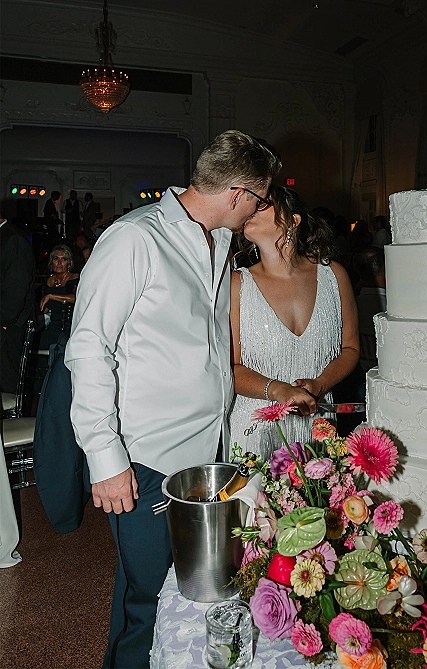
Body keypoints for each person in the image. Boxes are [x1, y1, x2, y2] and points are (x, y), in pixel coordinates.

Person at [65, 130, 280, 669]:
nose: (260, 209)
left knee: (187, 596)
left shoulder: (220, 241)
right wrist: (105, 458)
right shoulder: (135, 240)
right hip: (148, 458)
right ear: (236, 193)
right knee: (144, 599)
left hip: (209, 457)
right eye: (259, 198)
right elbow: (88, 350)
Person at [228, 185, 359, 460]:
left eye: (262, 204)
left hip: (317, 426)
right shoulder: (237, 285)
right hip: (255, 432)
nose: (251, 207)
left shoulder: (333, 275)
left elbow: (350, 349)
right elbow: (230, 367)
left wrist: (321, 383)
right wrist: (277, 389)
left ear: (292, 220)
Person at [0, 214, 35, 393]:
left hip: (8, 327)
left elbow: (16, 287)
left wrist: (4, 322)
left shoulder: (12, 239)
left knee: (7, 386)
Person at [39, 245, 79, 350]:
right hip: (53, 326)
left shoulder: (75, 278)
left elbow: (76, 298)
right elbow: (45, 309)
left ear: (69, 263)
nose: (59, 263)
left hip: (70, 326)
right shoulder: (49, 281)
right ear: (51, 262)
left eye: (64, 259)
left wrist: (51, 296)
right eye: (56, 259)